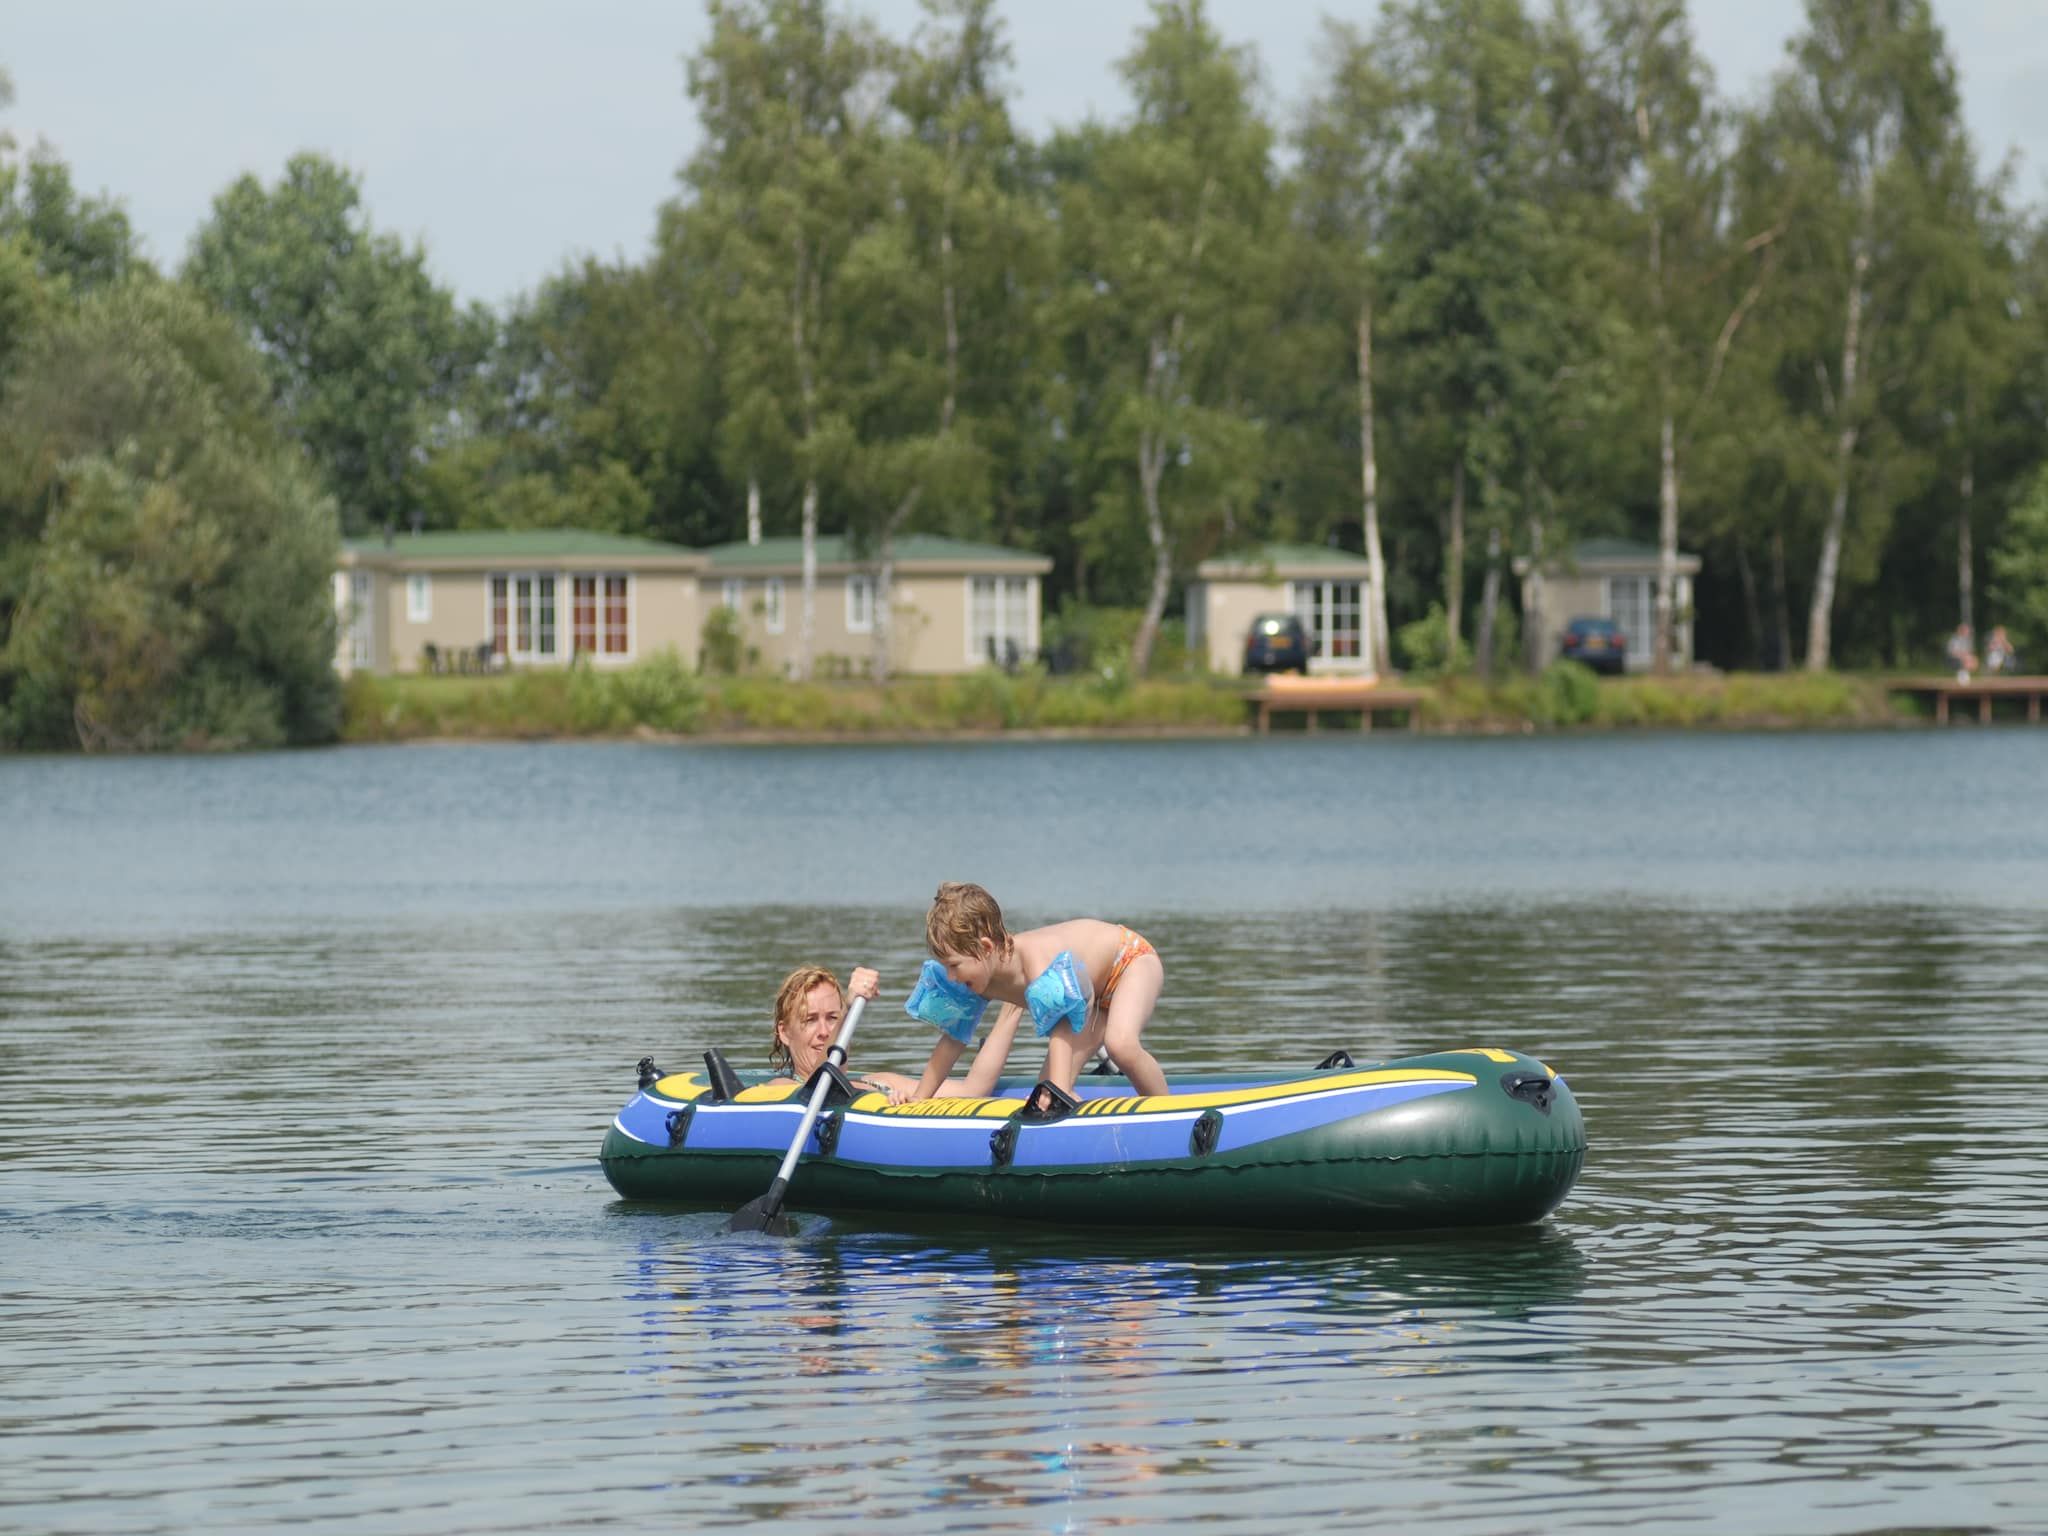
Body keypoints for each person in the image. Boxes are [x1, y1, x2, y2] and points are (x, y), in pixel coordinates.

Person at [904, 881, 1167, 1105]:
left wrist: (1061, 1087)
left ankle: (1168, 1114)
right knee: (1044, 1093)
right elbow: (953, 1039)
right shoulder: (978, 978)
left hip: (1128, 962)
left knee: (1120, 1045)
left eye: (954, 965)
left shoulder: (1035, 963)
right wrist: (920, 1098)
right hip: (1092, 1001)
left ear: (984, 948)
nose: (951, 977)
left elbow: (1061, 1024)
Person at [767, 964, 1008, 1104]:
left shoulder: (879, 1081)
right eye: (810, 1020)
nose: (824, 1031)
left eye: (832, 1018)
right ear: (784, 1033)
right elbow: (822, 1088)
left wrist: (1014, 999)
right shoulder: (779, 1089)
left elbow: (972, 1092)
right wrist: (849, 1010)